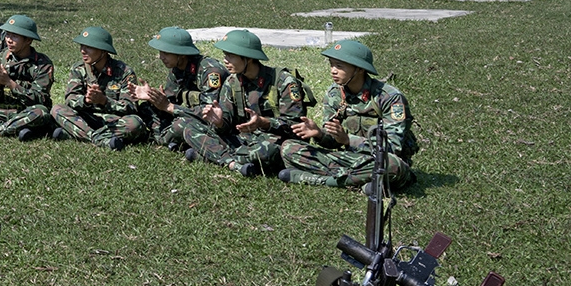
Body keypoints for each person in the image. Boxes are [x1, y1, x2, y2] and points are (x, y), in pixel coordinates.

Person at [281, 40, 417, 189]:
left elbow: (392, 147)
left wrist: (348, 140)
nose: (333, 70)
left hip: (379, 159)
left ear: (359, 69)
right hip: (349, 159)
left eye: (339, 66)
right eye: (332, 64)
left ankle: (325, 180)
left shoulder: (389, 97)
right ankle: (362, 181)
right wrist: (319, 134)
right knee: (288, 148)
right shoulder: (334, 94)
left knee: (391, 166)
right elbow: (333, 141)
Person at [178, 29, 308, 176]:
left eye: (231, 55)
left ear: (249, 58)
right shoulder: (232, 82)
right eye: (225, 55)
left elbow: (295, 125)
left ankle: (212, 154)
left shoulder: (283, 82)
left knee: (267, 150)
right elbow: (227, 124)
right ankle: (234, 164)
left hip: (272, 140)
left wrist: (263, 122)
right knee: (190, 128)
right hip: (243, 139)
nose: (225, 60)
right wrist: (220, 121)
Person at [50, 25, 144, 150]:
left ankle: (74, 133)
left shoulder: (124, 72)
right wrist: (86, 101)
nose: (83, 51)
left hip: (113, 121)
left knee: (135, 123)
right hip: (86, 118)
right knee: (57, 109)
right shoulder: (79, 69)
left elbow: (130, 107)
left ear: (103, 50)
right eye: (82, 46)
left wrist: (104, 101)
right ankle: (99, 139)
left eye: (89, 47)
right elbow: (70, 99)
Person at [135, 26, 227, 151]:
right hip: (191, 114)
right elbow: (170, 99)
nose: (161, 57)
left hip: (217, 121)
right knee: (146, 108)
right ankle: (174, 139)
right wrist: (153, 97)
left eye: (166, 53)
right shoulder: (176, 68)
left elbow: (210, 113)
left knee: (181, 124)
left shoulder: (211, 72)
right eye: (161, 52)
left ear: (182, 55)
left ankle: (164, 139)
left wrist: (169, 107)